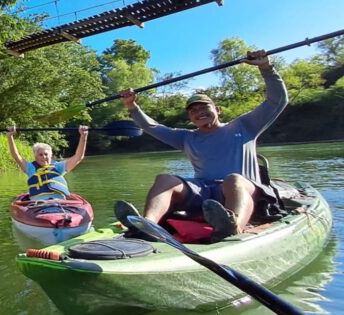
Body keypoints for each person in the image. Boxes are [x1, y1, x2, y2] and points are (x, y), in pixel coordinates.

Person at [114, 50, 288, 241]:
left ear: (217, 110)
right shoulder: (186, 137)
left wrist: (266, 67)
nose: (199, 112)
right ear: (190, 118)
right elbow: (151, 126)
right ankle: (147, 225)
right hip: (205, 194)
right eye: (193, 111)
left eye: (204, 107)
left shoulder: (244, 126)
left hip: (242, 191)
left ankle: (232, 226)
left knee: (233, 179)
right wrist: (132, 106)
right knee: (165, 179)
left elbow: (276, 101)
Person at [7, 125, 89, 200]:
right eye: (40, 155)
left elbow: (78, 157)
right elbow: (16, 156)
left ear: (50, 155)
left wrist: (83, 136)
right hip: (38, 204)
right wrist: (10, 136)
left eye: (46, 154)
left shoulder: (58, 167)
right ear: (35, 156)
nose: (44, 157)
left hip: (60, 202)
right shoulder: (30, 168)